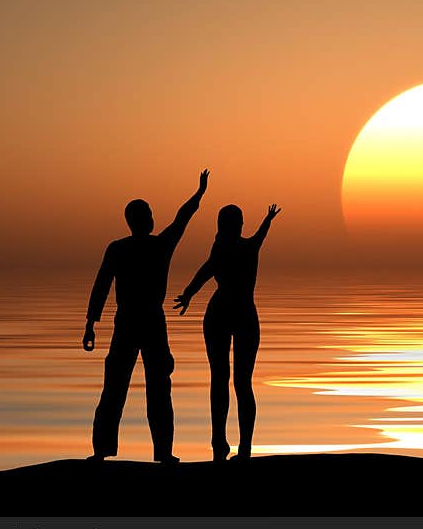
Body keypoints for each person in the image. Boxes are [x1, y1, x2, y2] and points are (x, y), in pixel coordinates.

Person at [82, 170, 209, 463]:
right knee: (131, 388)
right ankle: (134, 451)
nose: (152, 217)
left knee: (143, 387)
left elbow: (182, 217)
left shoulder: (128, 248)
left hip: (139, 322)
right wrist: (200, 193)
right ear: (140, 219)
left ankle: (141, 451)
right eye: (148, 213)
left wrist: (91, 324)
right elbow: (182, 218)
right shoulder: (152, 246)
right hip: (140, 322)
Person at [173, 203, 281, 461]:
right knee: (231, 381)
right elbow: (207, 270)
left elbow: (206, 270)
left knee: (232, 382)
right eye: (237, 222)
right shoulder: (237, 248)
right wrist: (189, 292)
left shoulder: (230, 248)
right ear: (236, 224)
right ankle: (225, 444)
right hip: (229, 314)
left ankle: (237, 446)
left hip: (231, 314)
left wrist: (189, 292)